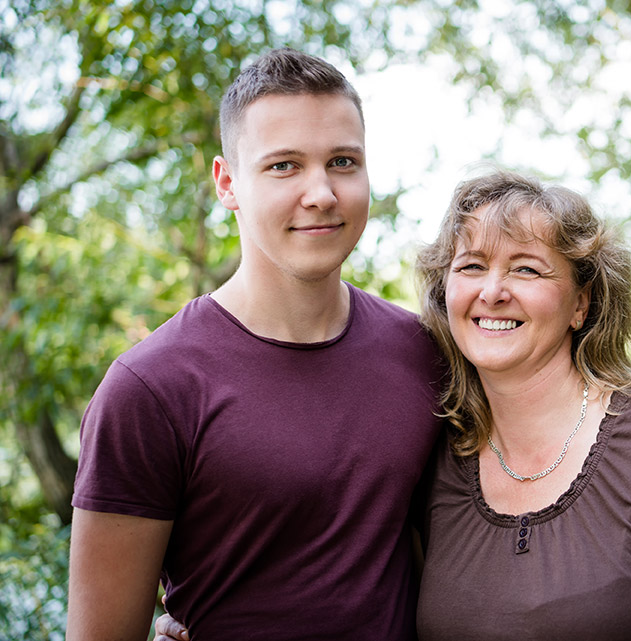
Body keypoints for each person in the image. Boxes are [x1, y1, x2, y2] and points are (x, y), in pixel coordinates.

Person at [154, 171, 631, 640]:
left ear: (582, 303)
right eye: (471, 266)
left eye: (527, 270)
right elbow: (332, 575)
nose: (493, 291)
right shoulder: (434, 460)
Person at [66, 48, 444, 641]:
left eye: (342, 161)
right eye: (284, 166)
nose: (321, 193)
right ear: (227, 184)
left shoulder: (423, 353)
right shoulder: (150, 390)